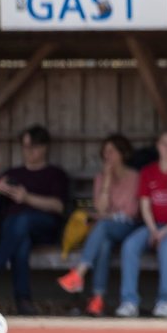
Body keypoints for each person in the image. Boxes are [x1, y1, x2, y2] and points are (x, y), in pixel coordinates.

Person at [0, 125, 70, 315]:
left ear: (44, 147)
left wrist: (26, 198)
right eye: (25, 147)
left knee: (21, 221)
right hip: (11, 230)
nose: (28, 151)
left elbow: (59, 207)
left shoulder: (54, 174)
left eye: (32, 147)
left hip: (44, 227)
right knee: (21, 240)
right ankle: (23, 301)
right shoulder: (13, 173)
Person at [56, 134, 140, 317]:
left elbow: (131, 212)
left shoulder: (134, 177)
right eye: (105, 152)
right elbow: (100, 208)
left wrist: (107, 216)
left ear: (123, 153)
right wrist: (107, 180)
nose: (107, 156)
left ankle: (79, 272)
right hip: (107, 230)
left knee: (101, 226)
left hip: (130, 229)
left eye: (112, 151)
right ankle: (97, 299)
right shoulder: (101, 177)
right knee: (103, 244)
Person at [116, 130, 167, 318]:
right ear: (157, 146)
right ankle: (129, 302)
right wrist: (153, 230)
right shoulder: (148, 171)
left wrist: (164, 232)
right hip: (153, 226)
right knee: (129, 245)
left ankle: (166, 301)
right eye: (164, 144)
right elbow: (145, 205)